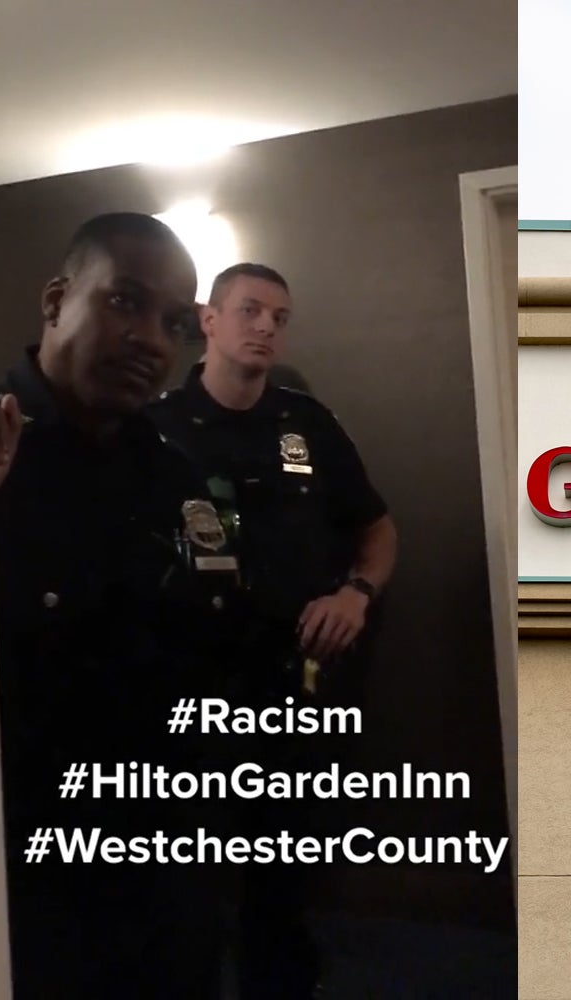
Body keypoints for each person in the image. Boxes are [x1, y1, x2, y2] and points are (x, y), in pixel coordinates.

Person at [0, 212, 243, 998]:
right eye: (125, 302)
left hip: (166, 860)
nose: (152, 342)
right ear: (56, 299)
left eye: (173, 323)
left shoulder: (174, 474)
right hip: (24, 873)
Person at [147, 261, 397, 999]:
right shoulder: (156, 427)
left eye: (279, 318)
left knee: (285, 869)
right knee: (181, 879)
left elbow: (378, 529)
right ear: (209, 319)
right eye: (250, 310)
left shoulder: (306, 423)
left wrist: (356, 593)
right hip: (189, 684)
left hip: (294, 680)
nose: (266, 327)